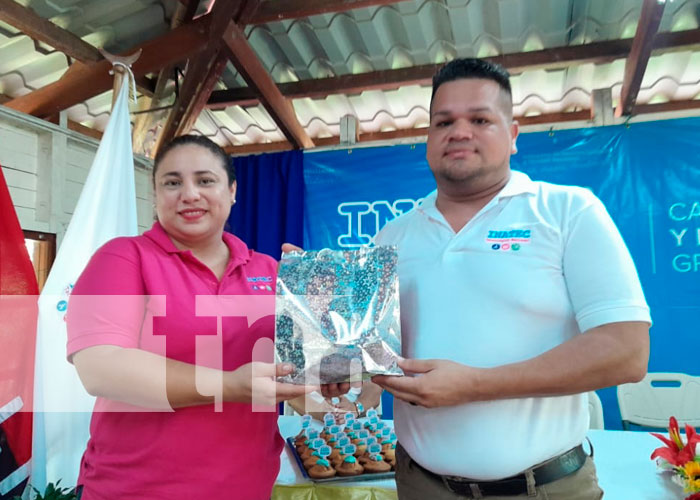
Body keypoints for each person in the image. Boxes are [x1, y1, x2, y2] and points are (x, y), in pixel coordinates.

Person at [369, 58, 651, 499]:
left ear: (514, 135)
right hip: (420, 485)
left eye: (480, 119)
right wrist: (313, 304)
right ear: (427, 137)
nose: (459, 132)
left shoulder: (567, 211)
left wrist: (474, 386)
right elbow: (365, 357)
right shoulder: (392, 236)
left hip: (546, 489)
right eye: (443, 121)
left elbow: (626, 352)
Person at [66, 135, 315, 500]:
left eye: (205, 180)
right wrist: (230, 384)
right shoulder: (123, 258)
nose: (189, 194)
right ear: (155, 194)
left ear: (232, 191)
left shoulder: (270, 270)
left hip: (246, 488)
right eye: (172, 182)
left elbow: (298, 380)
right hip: (135, 491)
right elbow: (100, 367)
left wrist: (328, 331)